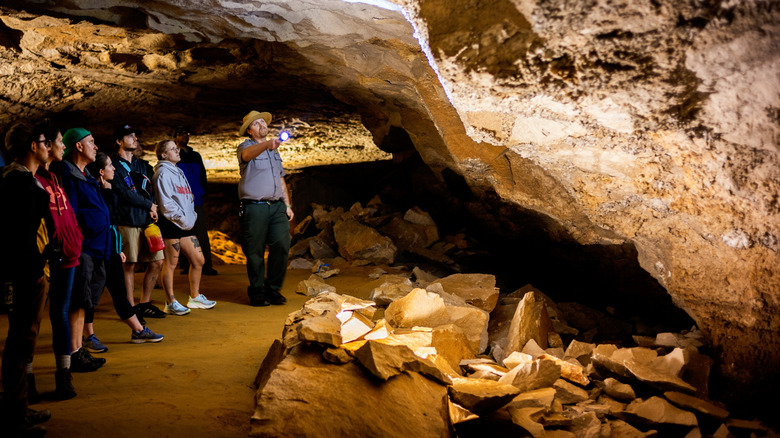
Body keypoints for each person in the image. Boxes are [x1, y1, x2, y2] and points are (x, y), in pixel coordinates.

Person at [0, 122, 53, 436]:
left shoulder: (10, 179)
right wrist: (37, 265)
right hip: (26, 272)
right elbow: (18, 235)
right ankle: (15, 417)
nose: (48, 146)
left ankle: (16, 407)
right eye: (44, 141)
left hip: (21, 270)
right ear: (32, 147)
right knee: (21, 341)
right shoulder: (21, 184)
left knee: (18, 342)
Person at [86, 153, 164, 343]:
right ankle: (88, 336)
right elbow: (103, 221)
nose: (114, 169)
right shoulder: (93, 191)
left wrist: (117, 248)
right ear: (101, 172)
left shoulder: (108, 189)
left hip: (109, 248)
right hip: (94, 249)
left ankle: (138, 330)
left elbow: (111, 221)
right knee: (89, 296)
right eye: (110, 166)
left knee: (118, 291)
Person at [33, 121, 82, 401]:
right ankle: (27, 379)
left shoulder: (54, 178)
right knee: (30, 320)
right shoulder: (34, 180)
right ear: (46, 145)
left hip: (67, 255)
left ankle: (63, 374)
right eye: (60, 141)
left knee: (60, 314)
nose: (63, 145)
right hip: (47, 258)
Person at [58, 128, 109, 373]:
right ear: (78, 146)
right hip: (83, 249)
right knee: (77, 301)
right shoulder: (68, 175)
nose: (95, 146)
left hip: (95, 248)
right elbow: (72, 215)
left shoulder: (85, 174)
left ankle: (78, 349)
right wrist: (77, 246)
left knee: (83, 302)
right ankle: (74, 351)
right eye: (91, 141)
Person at [236, 111, 294, 307]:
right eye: (257, 123)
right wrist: (266, 145)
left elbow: (280, 178)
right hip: (255, 207)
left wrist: (287, 204)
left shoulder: (273, 151)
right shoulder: (245, 147)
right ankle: (257, 290)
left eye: (263, 122)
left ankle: (273, 288)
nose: (262, 125)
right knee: (255, 250)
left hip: (276, 206)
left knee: (282, 244)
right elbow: (247, 155)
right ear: (250, 131)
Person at [152, 140, 216, 315]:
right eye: (173, 149)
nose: (177, 150)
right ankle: (170, 302)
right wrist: (183, 219)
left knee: (198, 260)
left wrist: (191, 217)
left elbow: (187, 197)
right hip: (171, 223)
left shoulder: (178, 171)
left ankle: (194, 297)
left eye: (176, 148)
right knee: (171, 264)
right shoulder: (162, 174)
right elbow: (166, 204)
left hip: (186, 222)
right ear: (164, 155)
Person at [110, 124, 166, 323]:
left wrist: (153, 206)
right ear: (119, 141)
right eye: (130, 136)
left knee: (158, 261)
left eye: (135, 135)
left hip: (145, 222)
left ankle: (144, 303)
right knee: (130, 266)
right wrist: (150, 205)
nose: (135, 139)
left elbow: (147, 188)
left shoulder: (141, 165)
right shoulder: (113, 165)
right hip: (127, 220)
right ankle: (130, 308)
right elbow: (123, 194)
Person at [173, 127, 218, 276]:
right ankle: (185, 266)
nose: (185, 136)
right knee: (183, 233)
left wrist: (201, 192)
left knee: (201, 234)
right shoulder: (173, 156)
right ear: (175, 138)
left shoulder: (195, 156)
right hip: (181, 203)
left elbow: (202, 176)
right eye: (181, 134)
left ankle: (206, 266)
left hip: (196, 201)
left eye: (187, 133)